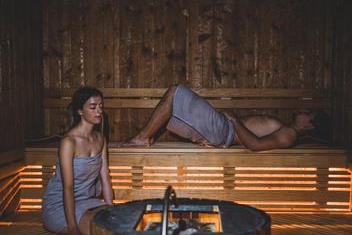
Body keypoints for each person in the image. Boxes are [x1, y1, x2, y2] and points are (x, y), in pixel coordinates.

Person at [119, 84, 331, 151]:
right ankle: (146, 138)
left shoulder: (289, 135)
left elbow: (255, 145)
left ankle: (142, 138)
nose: (303, 111)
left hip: (225, 130)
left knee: (175, 91)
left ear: (310, 125)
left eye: (308, 114)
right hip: (221, 133)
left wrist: (235, 121)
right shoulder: (286, 129)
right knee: (171, 110)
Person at [42, 86, 114, 235]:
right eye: (93, 107)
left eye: (101, 106)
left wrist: (111, 207)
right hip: (60, 206)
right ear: (80, 111)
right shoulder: (69, 142)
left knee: (120, 222)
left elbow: (105, 179)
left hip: (87, 202)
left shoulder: (100, 139)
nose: (99, 111)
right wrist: (73, 229)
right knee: (105, 231)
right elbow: (68, 187)